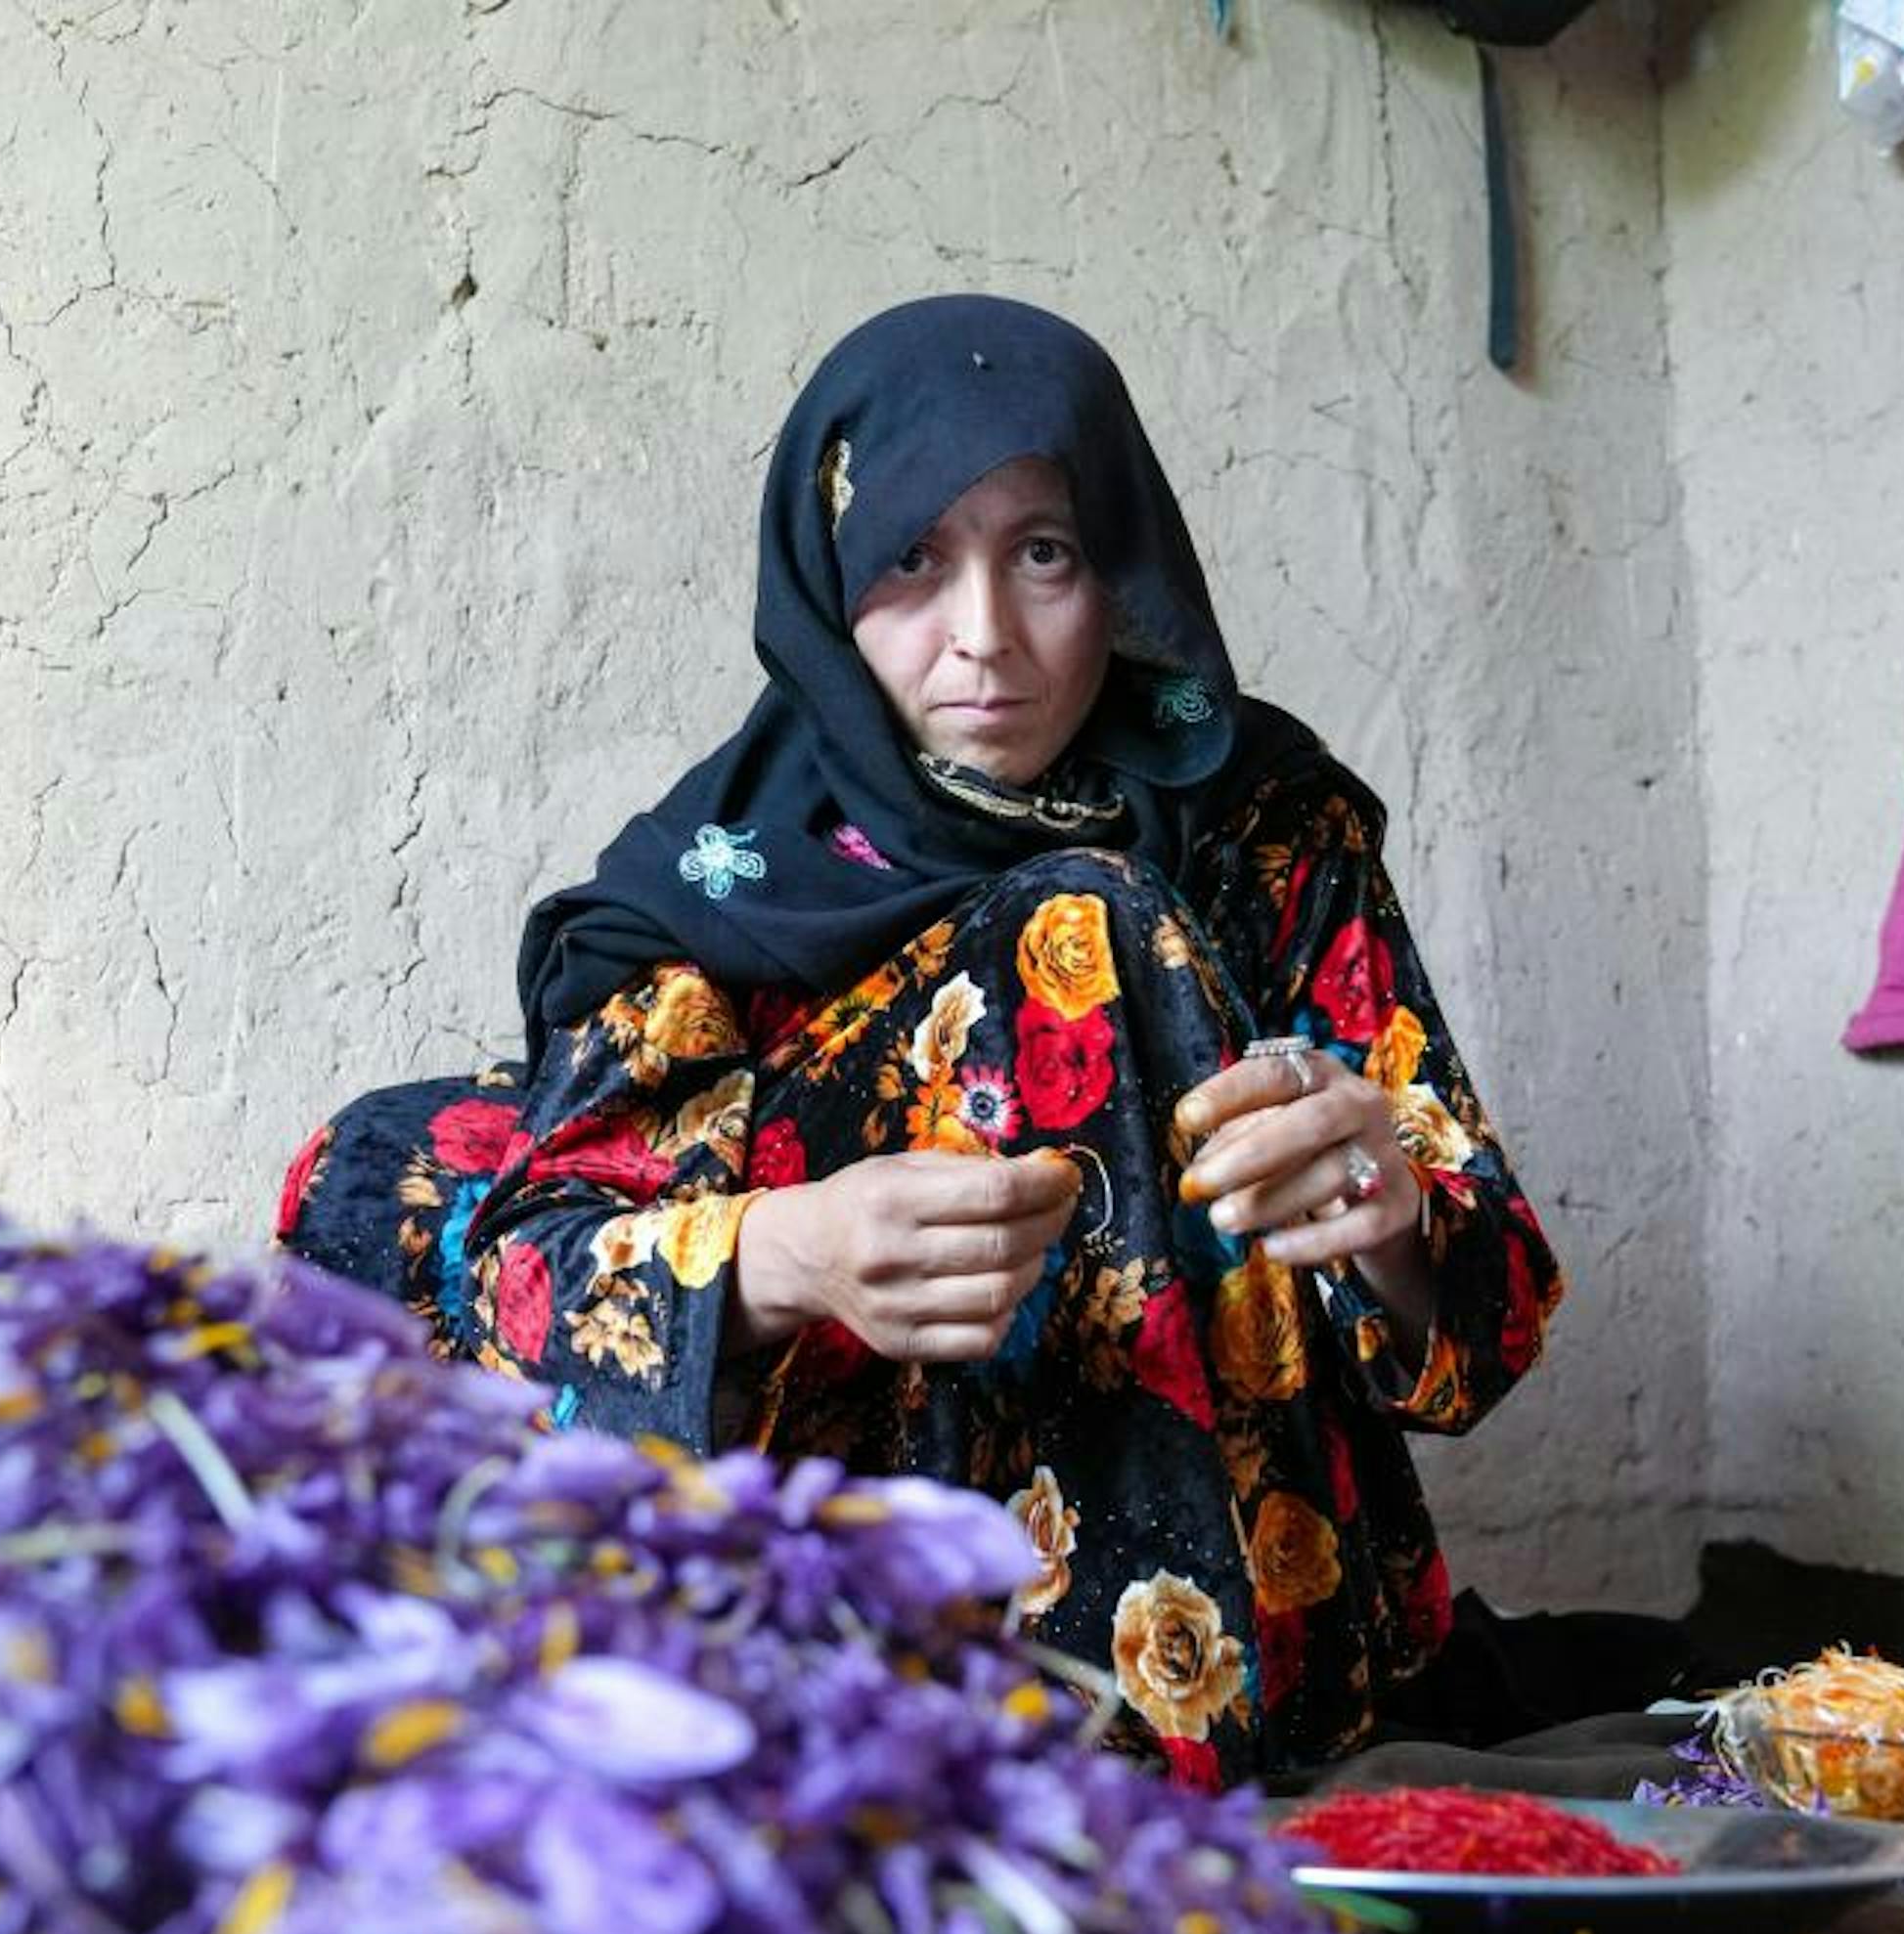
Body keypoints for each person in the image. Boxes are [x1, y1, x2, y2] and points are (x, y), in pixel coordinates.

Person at [282, 297, 1561, 1787]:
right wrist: (786, 1253)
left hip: (1270, 1592)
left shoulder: (1265, 822)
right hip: (859, 1580)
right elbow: (528, 1263)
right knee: (379, 1165)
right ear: (828, 584)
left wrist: (1395, 1218)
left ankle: (1159, 1750)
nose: (985, 639)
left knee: (1076, 926)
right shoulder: (729, 877)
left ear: (1121, 565)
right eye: (912, 560)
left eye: (1043, 554)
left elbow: (1488, 1323)